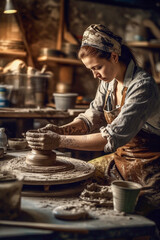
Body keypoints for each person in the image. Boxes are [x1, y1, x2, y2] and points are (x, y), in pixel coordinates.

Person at [26, 24, 160, 228]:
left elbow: (110, 138)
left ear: (114, 56)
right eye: (90, 69)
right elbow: (91, 118)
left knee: (130, 217)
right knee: (78, 182)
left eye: (97, 67)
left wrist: (59, 141)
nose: (94, 75)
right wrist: (61, 129)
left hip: (151, 167)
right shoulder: (108, 82)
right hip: (121, 159)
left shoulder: (142, 87)